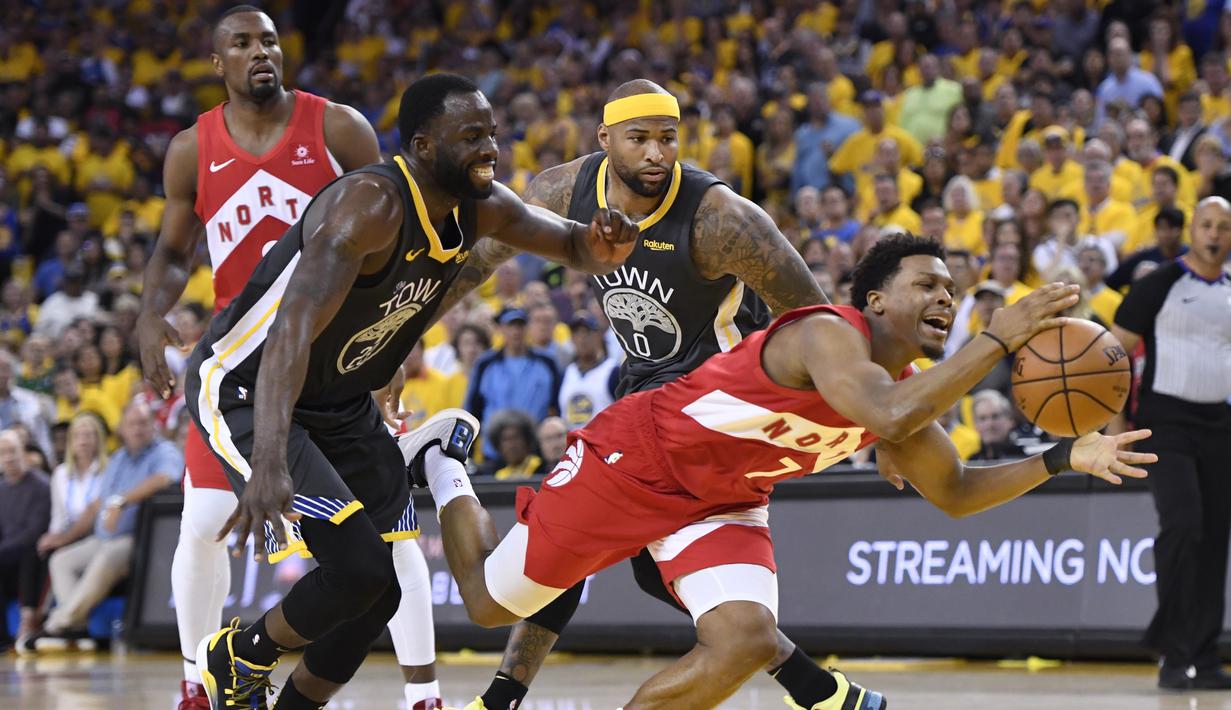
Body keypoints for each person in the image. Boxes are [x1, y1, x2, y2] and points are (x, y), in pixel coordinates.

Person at [421, 235, 1153, 709]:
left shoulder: (906, 398)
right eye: (926, 284)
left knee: (743, 637)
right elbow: (890, 413)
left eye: (951, 293)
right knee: (487, 605)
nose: (943, 298)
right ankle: (445, 463)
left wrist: (1060, 456)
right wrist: (996, 337)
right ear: (874, 300)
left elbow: (957, 494)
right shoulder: (826, 333)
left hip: (724, 501)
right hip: (635, 463)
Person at [183, 72, 636, 710]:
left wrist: (600, 245)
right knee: (358, 568)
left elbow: (566, 242)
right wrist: (266, 460)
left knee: (382, 593)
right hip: (250, 386)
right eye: (471, 136)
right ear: (423, 146)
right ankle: (237, 656)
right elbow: (288, 335)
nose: (489, 149)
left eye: (492, 135)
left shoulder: (483, 206)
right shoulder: (367, 208)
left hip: (337, 399)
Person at [435, 79, 868, 710]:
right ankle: (812, 686)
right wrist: (404, 336)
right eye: (639, 139)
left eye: (668, 139)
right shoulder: (563, 191)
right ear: (605, 139)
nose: (656, 154)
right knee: (592, 549)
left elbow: (818, 321)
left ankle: (502, 697)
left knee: (582, 540)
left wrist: (870, 424)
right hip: (646, 398)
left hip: (717, 406)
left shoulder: (722, 218)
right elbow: (476, 258)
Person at [131, 7, 446, 708]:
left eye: (268, 39)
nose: (259, 52)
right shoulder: (192, 148)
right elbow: (174, 250)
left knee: (389, 534)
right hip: (240, 367)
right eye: (241, 43)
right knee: (203, 520)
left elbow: (403, 239)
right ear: (219, 63)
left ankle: (421, 692)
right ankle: (197, 682)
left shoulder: (336, 126)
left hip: (331, 362)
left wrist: (391, 341)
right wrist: (151, 314)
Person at [1111, 197, 1231, 690]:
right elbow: (1111, 353)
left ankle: (1203, 658)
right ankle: (1172, 649)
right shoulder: (1159, 282)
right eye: (1207, 224)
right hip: (1164, 423)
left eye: (1225, 227)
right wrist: (1116, 424)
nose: (1215, 234)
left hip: (1220, 426)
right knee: (1183, 523)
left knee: (1215, 540)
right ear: (1193, 229)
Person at [32, 401, 181, 651]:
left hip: (137, 539)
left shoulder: (164, 451)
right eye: (132, 424)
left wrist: (121, 501)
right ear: (122, 428)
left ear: (153, 425)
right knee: (61, 560)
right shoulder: (119, 458)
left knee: (107, 557)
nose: (138, 429)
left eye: (143, 423)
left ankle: (57, 624)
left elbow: (163, 478)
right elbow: (97, 504)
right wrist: (64, 537)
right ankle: (76, 627)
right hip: (103, 537)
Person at [0, 429, 50, 651]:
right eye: (2, 453)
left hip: (33, 556)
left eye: (13, 451)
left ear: (24, 453)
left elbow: (34, 532)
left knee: (31, 553)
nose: (8, 457)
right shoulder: (1, 488)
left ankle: (28, 621)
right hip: (7, 557)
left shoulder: (41, 485)